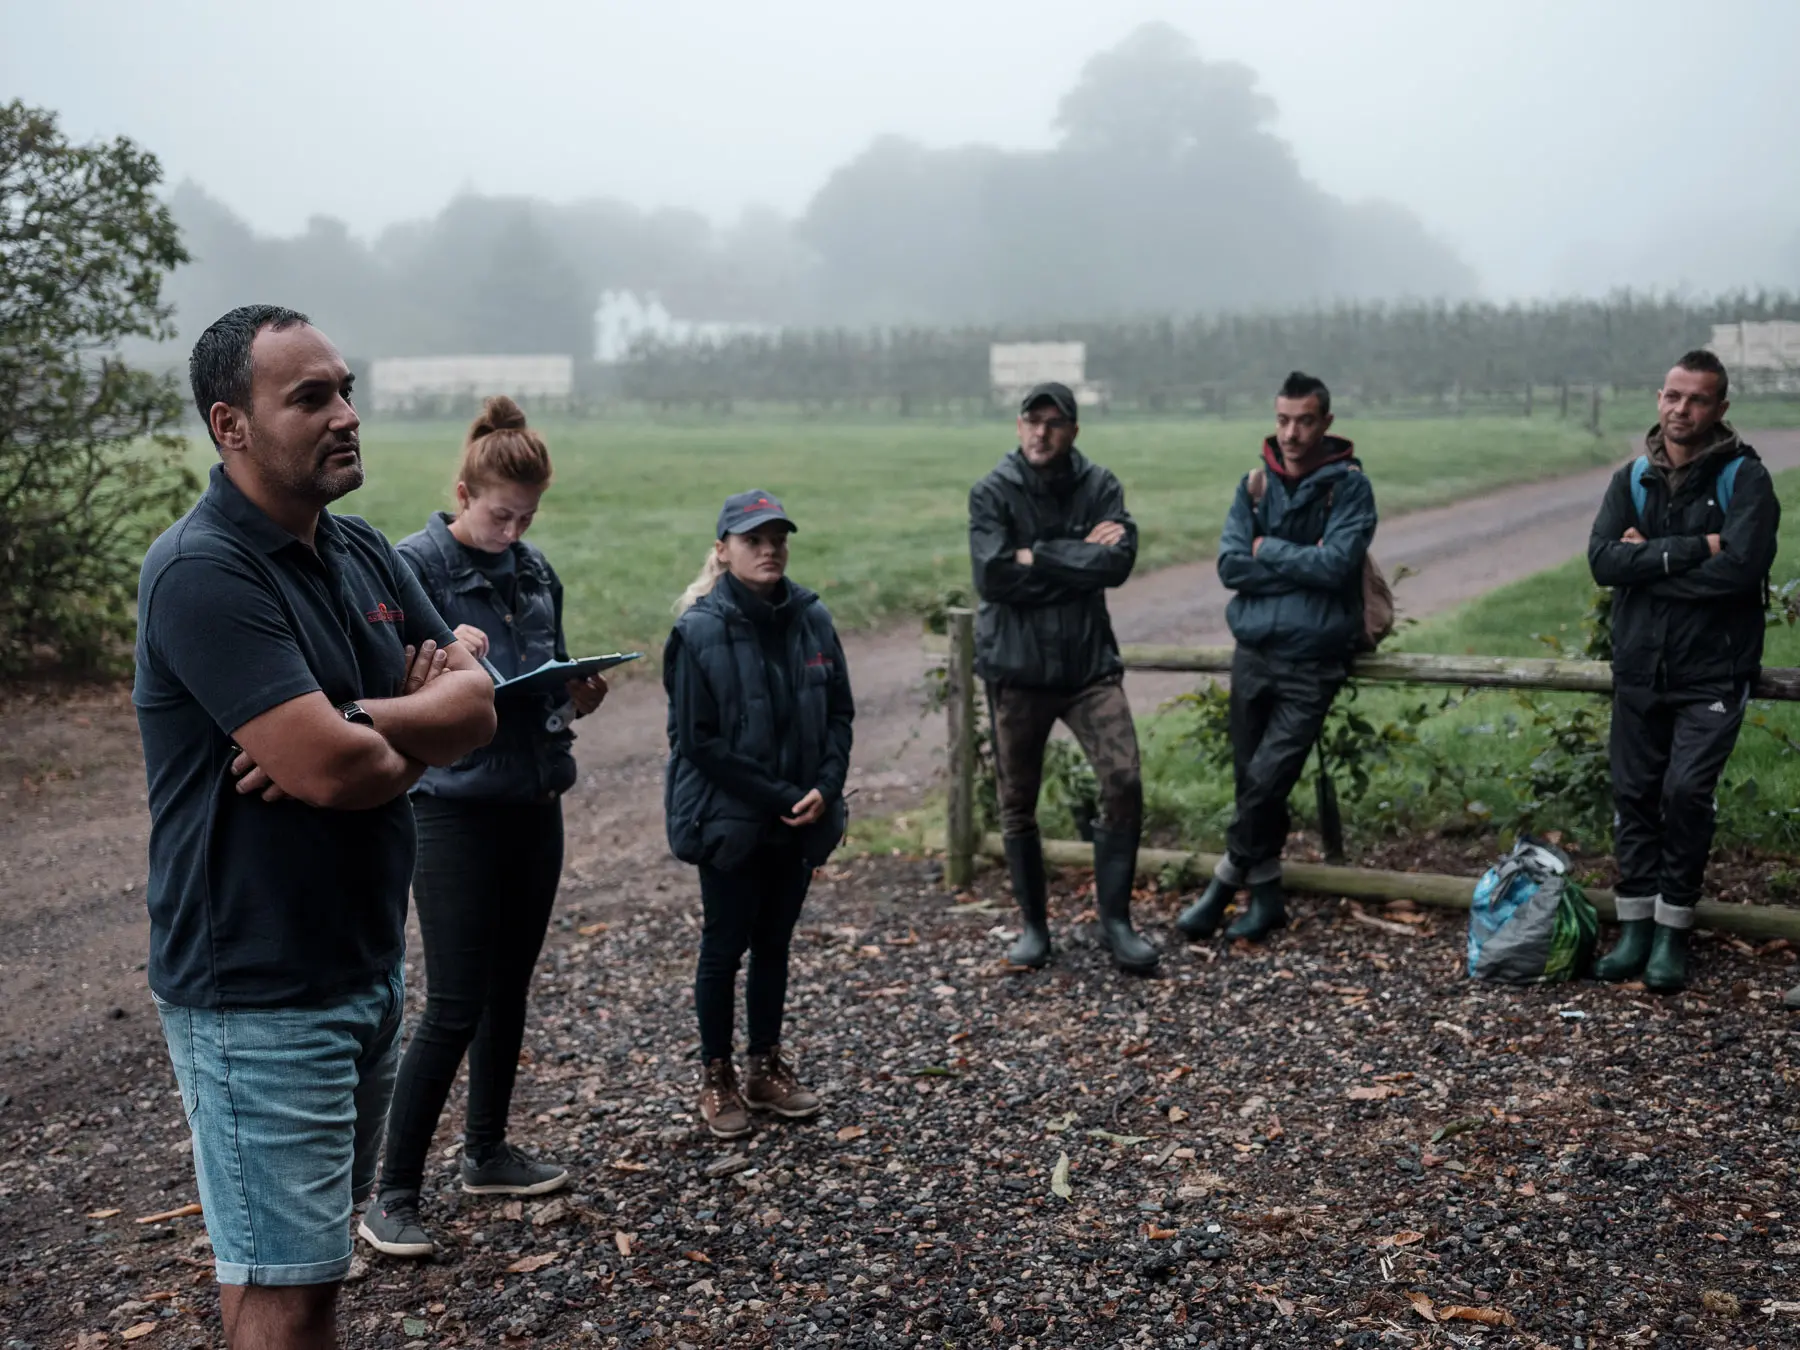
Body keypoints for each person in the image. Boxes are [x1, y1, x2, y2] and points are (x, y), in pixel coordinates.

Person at [134, 306, 496, 1348]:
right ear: (230, 425)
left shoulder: (362, 552)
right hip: (258, 988)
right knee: (290, 1294)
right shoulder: (204, 572)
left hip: (362, 967)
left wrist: (360, 721)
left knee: (294, 1272)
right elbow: (335, 774)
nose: (346, 415)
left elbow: (477, 706)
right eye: (310, 398)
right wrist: (384, 736)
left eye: (344, 389)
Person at [358, 397, 609, 1258]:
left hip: (536, 799)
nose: (513, 530)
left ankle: (488, 1151)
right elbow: (381, 686)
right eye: (502, 514)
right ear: (464, 491)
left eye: (528, 517)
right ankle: (391, 1194)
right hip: (453, 807)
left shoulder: (537, 571)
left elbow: (546, 669)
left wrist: (577, 690)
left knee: (510, 990)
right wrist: (449, 677)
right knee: (454, 1003)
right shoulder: (409, 568)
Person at [663, 490, 855, 1139]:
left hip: (802, 816)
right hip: (732, 821)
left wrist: (826, 787)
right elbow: (699, 740)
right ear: (723, 550)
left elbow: (839, 713)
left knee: (775, 943)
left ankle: (765, 1068)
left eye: (777, 537)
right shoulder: (698, 630)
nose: (769, 549)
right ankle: (716, 1077)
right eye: (754, 539)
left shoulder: (812, 617)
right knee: (725, 947)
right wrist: (778, 796)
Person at [1588, 350, 1779, 994]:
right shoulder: (1632, 479)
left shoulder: (1744, 480)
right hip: (1640, 669)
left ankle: (1673, 931)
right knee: (1636, 796)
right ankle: (1634, 927)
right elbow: (1603, 562)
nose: (1681, 409)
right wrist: (1698, 549)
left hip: (1712, 673)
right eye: (1673, 396)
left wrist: (1652, 568)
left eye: (1697, 400)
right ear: (1659, 397)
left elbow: (1744, 570)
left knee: (1685, 795)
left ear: (1720, 408)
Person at [1177, 371, 1377, 945]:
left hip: (1313, 661)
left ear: (1326, 423)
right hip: (1254, 654)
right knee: (1250, 781)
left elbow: (1337, 566)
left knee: (1267, 780)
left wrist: (1270, 550)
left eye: (1304, 420)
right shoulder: (1255, 484)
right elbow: (1231, 566)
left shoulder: (1350, 488)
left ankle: (1220, 886)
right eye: (1283, 419)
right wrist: (1296, 562)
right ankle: (1266, 901)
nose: (1291, 432)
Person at [969, 382, 1157, 974]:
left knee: (1123, 780)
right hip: (1017, 670)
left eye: (1054, 422)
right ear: (1017, 425)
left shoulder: (1100, 486)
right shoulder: (992, 492)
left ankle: (1116, 922)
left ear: (1074, 430)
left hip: (1086, 668)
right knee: (1017, 800)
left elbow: (1117, 563)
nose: (1041, 432)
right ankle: (1033, 927)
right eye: (1032, 420)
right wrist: (1076, 554)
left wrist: (1037, 554)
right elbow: (993, 577)